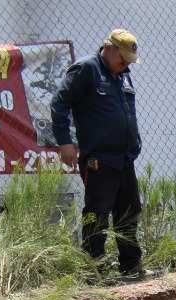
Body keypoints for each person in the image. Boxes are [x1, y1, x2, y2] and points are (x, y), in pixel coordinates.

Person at [51, 29, 143, 280]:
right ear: (108, 48)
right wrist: (65, 142)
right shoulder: (86, 69)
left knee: (129, 212)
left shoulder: (123, 75)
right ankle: (94, 271)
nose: (126, 63)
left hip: (125, 157)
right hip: (99, 159)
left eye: (129, 59)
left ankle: (131, 267)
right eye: (122, 57)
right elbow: (59, 103)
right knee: (97, 215)